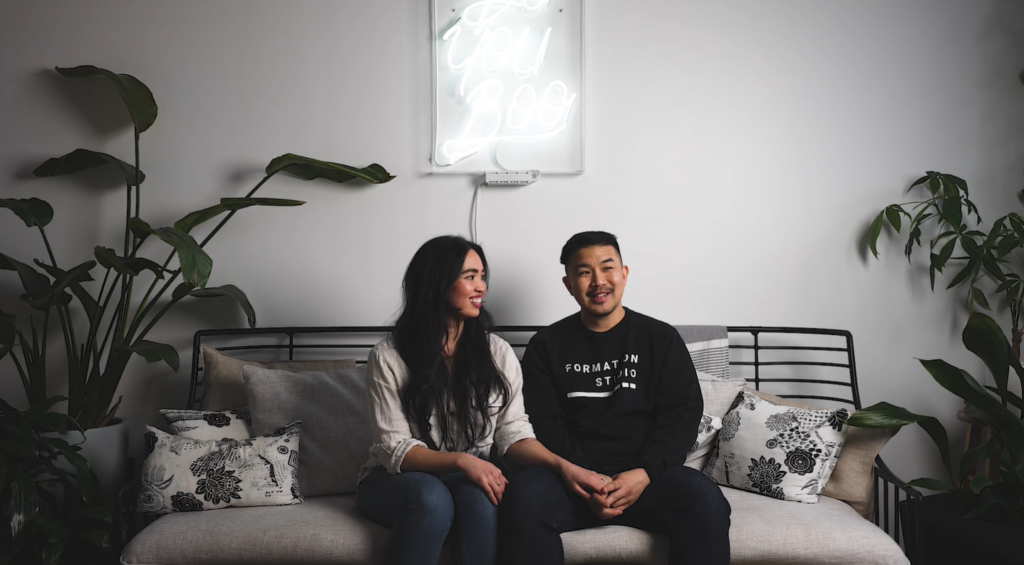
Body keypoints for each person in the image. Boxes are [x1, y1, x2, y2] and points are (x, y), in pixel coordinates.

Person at [357, 235, 607, 565]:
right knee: (432, 497)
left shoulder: (498, 353)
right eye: (469, 277)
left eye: (482, 276)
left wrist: (565, 467)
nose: (481, 288)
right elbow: (395, 449)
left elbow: (513, 434)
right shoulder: (388, 356)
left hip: (469, 478)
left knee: (480, 495)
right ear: (437, 282)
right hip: (392, 482)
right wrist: (463, 461)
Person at [501, 231, 732, 565]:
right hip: (571, 479)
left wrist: (644, 472)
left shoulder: (660, 338)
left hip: (648, 478)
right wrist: (583, 476)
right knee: (524, 498)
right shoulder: (546, 345)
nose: (598, 281)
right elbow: (544, 421)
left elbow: (681, 414)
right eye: (584, 272)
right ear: (568, 284)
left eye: (607, 268)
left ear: (624, 273)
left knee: (703, 499)